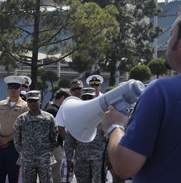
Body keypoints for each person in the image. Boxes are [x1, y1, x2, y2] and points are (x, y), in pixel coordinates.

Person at [101, 16, 181, 182]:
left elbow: (125, 166)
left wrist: (115, 126)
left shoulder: (160, 92)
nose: (167, 42)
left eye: (172, 34)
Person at [64, 87, 107, 183]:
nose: (87, 100)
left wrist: (109, 158)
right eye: (85, 98)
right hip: (81, 158)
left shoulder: (103, 116)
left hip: (99, 159)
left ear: (94, 98)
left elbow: (109, 138)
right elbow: (69, 141)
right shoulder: (76, 117)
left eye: (90, 97)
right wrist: (69, 159)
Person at [13, 90, 58, 183]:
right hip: (27, 159)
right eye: (30, 101)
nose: (32, 103)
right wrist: (23, 152)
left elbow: (54, 136)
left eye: (35, 101)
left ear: (40, 101)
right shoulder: (21, 119)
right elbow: (17, 138)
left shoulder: (48, 118)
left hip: (44, 158)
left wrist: (48, 150)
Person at [0, 75, 29, 183]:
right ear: (7, 89)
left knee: (13, 176)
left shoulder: (25, 106)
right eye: (11, 87)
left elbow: (25, 128)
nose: (13, 90)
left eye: (16, 87)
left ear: (21, 89)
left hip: (15, 146)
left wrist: (9, 139)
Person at [46, 88, 70, 183]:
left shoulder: (56, 109)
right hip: (55, 146)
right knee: (55, 173)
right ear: (63, 98)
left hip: (56, 145)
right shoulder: (53, 110)